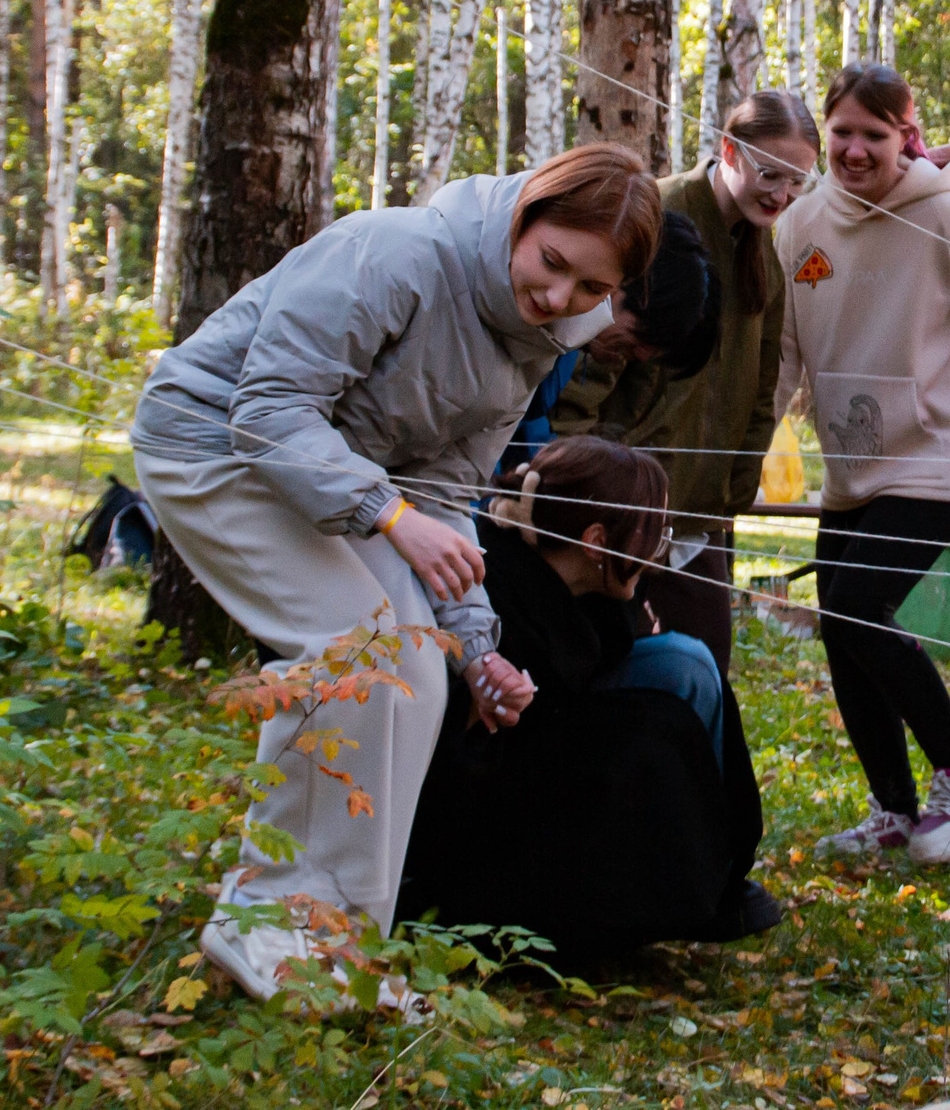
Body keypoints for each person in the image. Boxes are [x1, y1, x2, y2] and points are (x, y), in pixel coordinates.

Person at [128, 145, 663, 997]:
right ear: (524, 215)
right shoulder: (400, 252)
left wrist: (476, 648)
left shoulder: (539, 336)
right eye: (553, 263)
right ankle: (266, 921)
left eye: (591, 289)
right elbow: (266, 411)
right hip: (215, 446)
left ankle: (339, 946)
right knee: (353, 649)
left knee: (415, 667)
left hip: (349, 479)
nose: (559, 298)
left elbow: (446, 488)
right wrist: (392, 518)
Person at [775, 63, 950, 864]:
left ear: (909, 135)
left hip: (938, 451)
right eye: (843, 134)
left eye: (875, 134)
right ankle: (893, 808)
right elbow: (789, 354)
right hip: (852, 462)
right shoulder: (800, 224)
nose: (856, 150)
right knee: (839, 626)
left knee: (859, 601)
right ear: (824, 133)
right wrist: (748, 448)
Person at [398, 437, 779, 960]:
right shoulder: (495, 590)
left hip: (558, 723)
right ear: (597, 539)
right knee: (652, 726)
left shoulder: (595, 584)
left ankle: (718, 871)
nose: (658, 550)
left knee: (685, 665)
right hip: (493, 794)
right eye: (652, 533)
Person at [554, 89, 824, 672]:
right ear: (728, 149)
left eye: (797, 182)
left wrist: (734, 485)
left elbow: (762, 387)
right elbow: (593, 357)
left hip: (698, 517)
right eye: (769, 173)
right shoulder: (660, 216)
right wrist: (574, 467)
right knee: (613, 669)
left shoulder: (764, 255)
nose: (780, 194)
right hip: (622, 500)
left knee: (703, 670)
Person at [501, 209, 720, 473]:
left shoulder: (568, 344)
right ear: (619, 284)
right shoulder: (533, 319)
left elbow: (525, 426)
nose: (641, 355)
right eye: (644, 336)